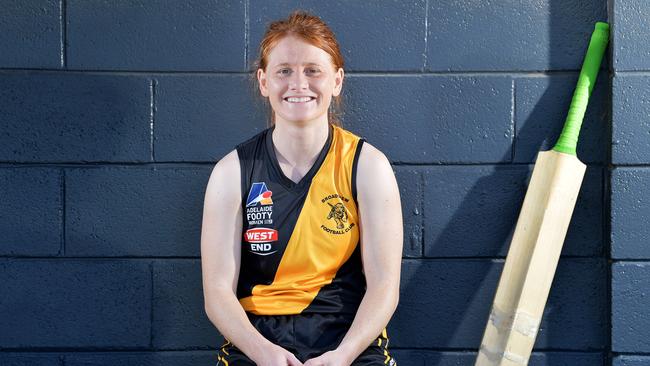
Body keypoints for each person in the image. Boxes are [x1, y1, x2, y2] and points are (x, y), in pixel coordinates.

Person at [201, 10, 403, 366]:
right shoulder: (231, 172)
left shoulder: (368, 167)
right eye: (284, 71)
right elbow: (217, 292)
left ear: (337, 81)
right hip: (258, 340)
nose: (298, 84)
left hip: (347, 339)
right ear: (264, 82)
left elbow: (385, 287)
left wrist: (342, 356)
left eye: (313, 70)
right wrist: (264, 353)